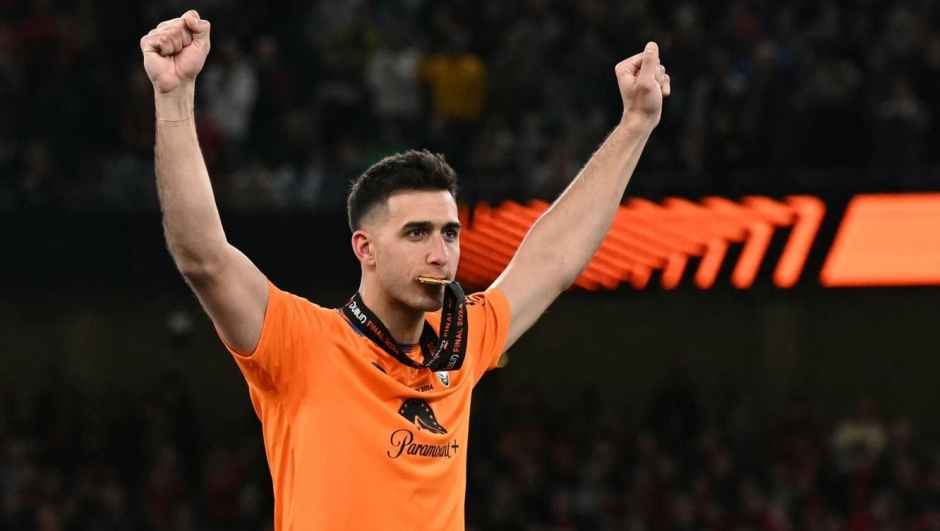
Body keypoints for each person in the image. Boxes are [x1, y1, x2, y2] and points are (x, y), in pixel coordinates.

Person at [139, 9, 670, 531]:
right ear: (365, 249)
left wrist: (636, 125)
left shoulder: (460, 341)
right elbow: (203, 256)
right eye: (416, 233)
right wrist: (174, 98)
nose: (440, 252)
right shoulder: (301, 344)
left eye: (449, 233)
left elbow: (553, 259)